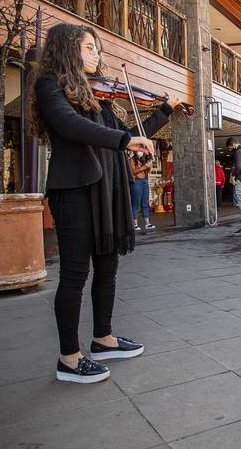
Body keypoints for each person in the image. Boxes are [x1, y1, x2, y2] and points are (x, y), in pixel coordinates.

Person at [28, 23, 182, 383]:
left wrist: (163, 112)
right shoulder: (50, 86)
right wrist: (124, 142)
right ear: (67, 49)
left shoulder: (98, 95)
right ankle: (69, 358)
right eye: (89, 47)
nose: (96, 54)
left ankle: (103, 338)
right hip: (76, 190)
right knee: (74, 276)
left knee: (108, 268)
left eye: (97, 48)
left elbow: (131, 136)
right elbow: (72, 127)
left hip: (107, 189)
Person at [129, 153, 154, 231]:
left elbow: (148, 171)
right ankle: (135, 224)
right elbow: (133, 172)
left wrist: (149, 166)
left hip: (145, 181)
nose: (141, 151)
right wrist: (145, 166)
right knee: (135, 204)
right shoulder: (132, 159)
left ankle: (147, 223)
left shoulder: (144, 158)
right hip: (137, 182)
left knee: (145, 203)